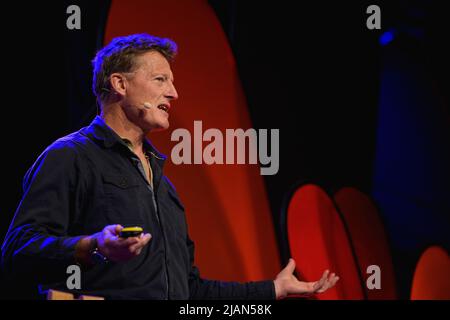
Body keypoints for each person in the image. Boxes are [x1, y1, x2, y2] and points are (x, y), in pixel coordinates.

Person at [1, 33, 338, 300]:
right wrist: (94, 246)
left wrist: (271, 291)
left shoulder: (164, 187)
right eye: (160, 79)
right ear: (120, 84)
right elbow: (18, 251)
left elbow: (189, 291)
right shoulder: (70, 156)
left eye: (172, 82)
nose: (174, 93)